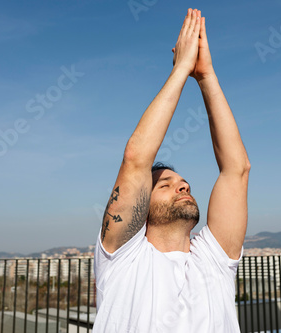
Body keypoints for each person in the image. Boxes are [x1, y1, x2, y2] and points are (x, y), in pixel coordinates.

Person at [93, 8, 250, 333]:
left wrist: (206, 76)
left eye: (183, 183)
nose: (183, 186)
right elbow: (136, 157)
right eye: (164, 185)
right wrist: (181, 70)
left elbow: (236, 169)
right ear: (141, 208)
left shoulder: (214, 259)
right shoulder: (123, 257)